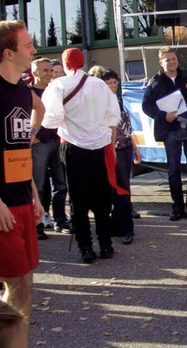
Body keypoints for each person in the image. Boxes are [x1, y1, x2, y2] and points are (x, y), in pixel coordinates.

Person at [41, 48, 122, 263]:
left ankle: (85, 247)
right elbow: (114, 115)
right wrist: (99, 128)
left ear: (65, 65)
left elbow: (51, 118)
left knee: (78, 198)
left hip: (73, 147)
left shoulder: (58, 85)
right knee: (102, 197)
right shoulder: (100, 85)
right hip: (99, 145)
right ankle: (105, 244)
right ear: (83, 62)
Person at [0, 19, 45, 342]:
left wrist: (34, 193)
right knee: (18, 284)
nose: (34, 50)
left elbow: (18, 150)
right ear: (7, 52)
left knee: (23, 283)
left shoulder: (22, 91)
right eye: (28, 45)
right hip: (2, 207)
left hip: (22, 200)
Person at [142, 46, 187, 222]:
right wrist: (163, 116)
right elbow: (146, 105)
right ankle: (177, 208)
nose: (172, 62)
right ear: (161, 62)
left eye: (174, 59)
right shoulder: (155, 82)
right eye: (168, 59)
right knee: (174, 171)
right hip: (170, 130)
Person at [90, 67, 142, 244]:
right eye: (109, 82)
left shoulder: (118, 100)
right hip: (106, 149)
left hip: (123, 149)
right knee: (110, 190)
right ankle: (115, 226)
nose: (113, 85)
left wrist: (135, 148)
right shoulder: (99, 102)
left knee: (123, 189)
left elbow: (127, 128)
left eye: (114, 82)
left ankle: (127, 228)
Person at [30, 57, 71, 240]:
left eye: (51, 70)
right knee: (38, 185)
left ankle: (60, 220)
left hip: (58, 141)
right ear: (35, 72)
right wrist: (34, 137)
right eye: (45, 70)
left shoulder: (56, 91)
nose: (49, 74)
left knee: (61, 183)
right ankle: (37, 224)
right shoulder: (28, 92)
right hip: (39, 144)